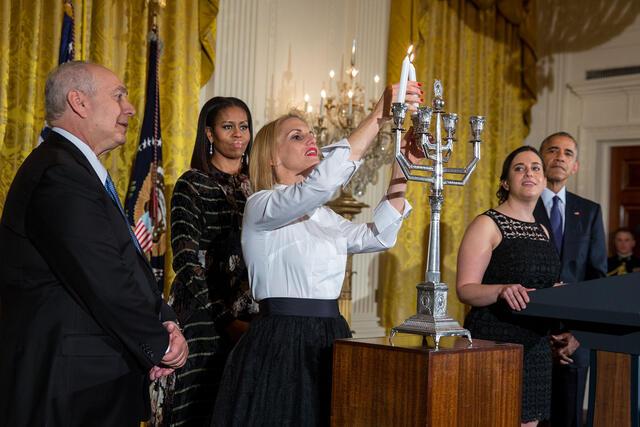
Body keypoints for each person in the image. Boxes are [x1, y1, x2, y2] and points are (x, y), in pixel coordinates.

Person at [212, 81, 422, 426]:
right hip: (279, 339)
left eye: (311, 134)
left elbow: (379, 236)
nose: (311, 139)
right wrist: (377, 117)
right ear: (271, 157)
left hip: (330, 335)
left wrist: (404, 167)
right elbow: (322, 185)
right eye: (297, 136)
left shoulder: (324, 216)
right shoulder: (261, 206)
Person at [0, 61, 188, 426]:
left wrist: (167, 323)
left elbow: (125, 264)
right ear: (79, 102)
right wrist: (161, 345)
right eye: (118, 95)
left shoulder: (75, 171)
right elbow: (105, 278)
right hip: (69, 391)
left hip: (91, 384)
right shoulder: (59, 173)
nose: (130, 108)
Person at [161, 97, 257, 426]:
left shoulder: (259, 186)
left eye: (243, 126)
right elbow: (187, 259)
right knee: (200, 409)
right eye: (227, 127)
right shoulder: (193, 183)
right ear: (210, 134)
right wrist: (223, 318)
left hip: (251, 311)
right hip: (204, 316)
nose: (238, 134)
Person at [457, 146, 560, 426]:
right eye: (519, 168)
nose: (529, 172)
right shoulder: (487, 224)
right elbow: (465, 288)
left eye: (536, 167)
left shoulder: (543, 230)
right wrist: (501, 289)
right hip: (494, 342)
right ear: (505, 182)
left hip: (536, 345)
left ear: (543, 179)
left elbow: (540, 287)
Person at [533, 131, 607, 427]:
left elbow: (596, 279)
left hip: (574, 340)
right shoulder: (520, 206)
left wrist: (578, 335)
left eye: (568, 153)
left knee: (570, 418)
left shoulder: (589, 211)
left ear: (574, 165)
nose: (560, 157)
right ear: (541, 159)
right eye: (553, 150)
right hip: (532, 335)